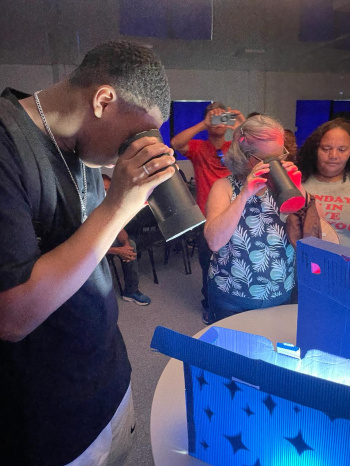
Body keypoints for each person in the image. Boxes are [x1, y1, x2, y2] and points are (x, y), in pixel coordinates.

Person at [0, 40, 175, 465]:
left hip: (110, 377)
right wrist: (117, 208)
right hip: (51, 415)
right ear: (103, 99)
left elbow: (75, 236)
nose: (137, 146)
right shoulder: (8, 145)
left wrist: (114, 231)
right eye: (137, 134)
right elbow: (12, 317)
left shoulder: (84, 147)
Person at [204, 115, 304, 324]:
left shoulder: (285, 186)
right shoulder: (224, 187)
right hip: (231, 295)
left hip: (279, 293)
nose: (278, 164)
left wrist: (298, 191)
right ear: (244, 157)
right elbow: (214, 242)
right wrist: (244, 195)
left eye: (280, 156)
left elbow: (304, 239)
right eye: (268, 160)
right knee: (230, 353)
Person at [170, 102, 245, 323]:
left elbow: (253, 146)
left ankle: (234, 301)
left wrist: (239, 124)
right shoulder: (198, 148)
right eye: (214, 117)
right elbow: (175, 143)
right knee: (208, 264)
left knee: (236, 261)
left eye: (224, 117)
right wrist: (204, 124)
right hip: (207, 217)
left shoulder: (235, 147)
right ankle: (209, 303)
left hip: (235, 215)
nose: (219, 120)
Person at [296, 118, 350, 247]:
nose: (333, 155)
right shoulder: (298, 182)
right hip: (301, 263)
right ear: (315, 150)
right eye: (326, 148)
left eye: (342, 149)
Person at [102, 174, 151, 305]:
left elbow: (119, 228)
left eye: (109, 189)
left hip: (108, 240)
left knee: (131, 246)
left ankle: (131, 291)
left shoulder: (112, 204)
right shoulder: (90, 209)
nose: (106, 193)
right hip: (92, 249)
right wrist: (117, 251)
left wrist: (126, 244)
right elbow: (89, 247)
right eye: (103, 190)